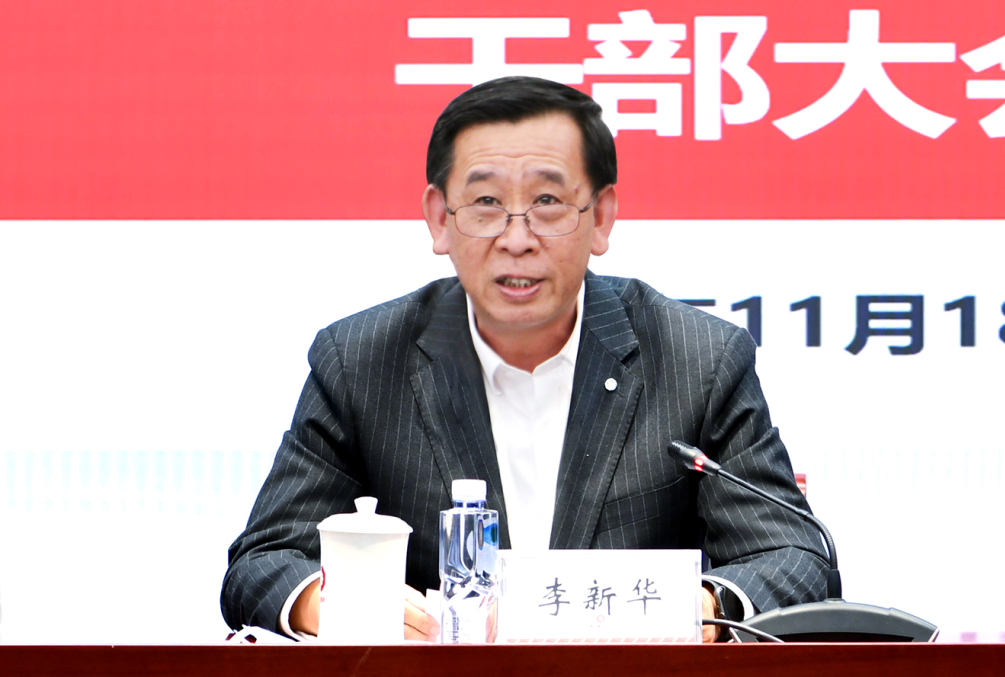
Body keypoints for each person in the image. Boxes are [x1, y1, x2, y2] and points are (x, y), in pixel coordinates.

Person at [221, 76, 828, 642]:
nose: (516, 239)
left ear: (601, 218)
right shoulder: (361, 361)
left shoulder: (698, 359)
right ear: (439, 219)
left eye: (548, 202)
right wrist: (329, 603)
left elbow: (795, 558)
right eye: (485, 202)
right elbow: (264, 560)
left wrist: (704, 607)